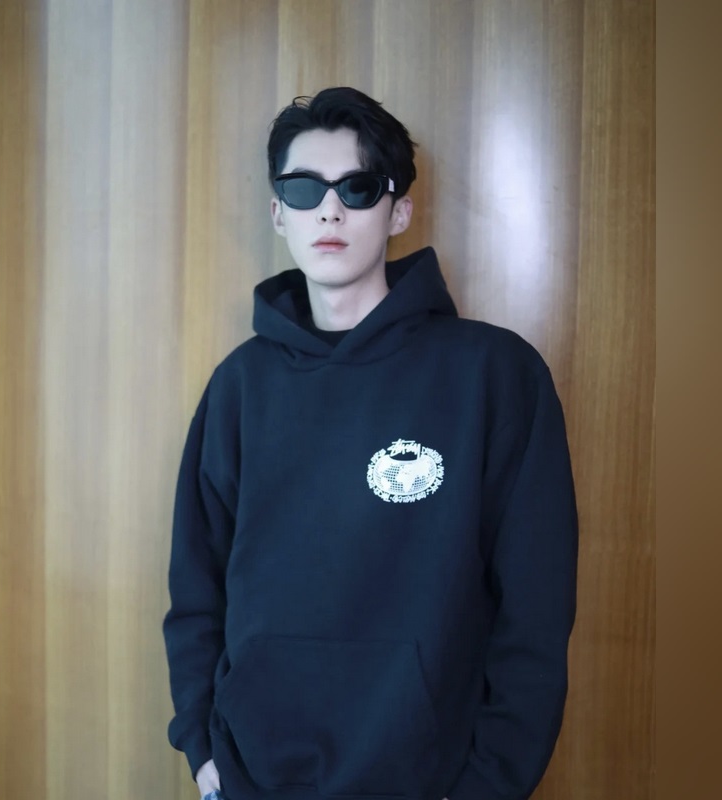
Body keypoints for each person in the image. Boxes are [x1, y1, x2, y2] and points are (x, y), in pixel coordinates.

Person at [163, 86, 578, 800]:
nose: (330, 210)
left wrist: (491, 784)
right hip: (251, 776)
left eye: (356, 188)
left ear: (399, 210)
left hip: (429, 780)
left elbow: (535, 611)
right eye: (304, 189)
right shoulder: (240, 386)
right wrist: (203, 747)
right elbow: (197, 586)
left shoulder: (493, 375)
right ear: (278, 212)